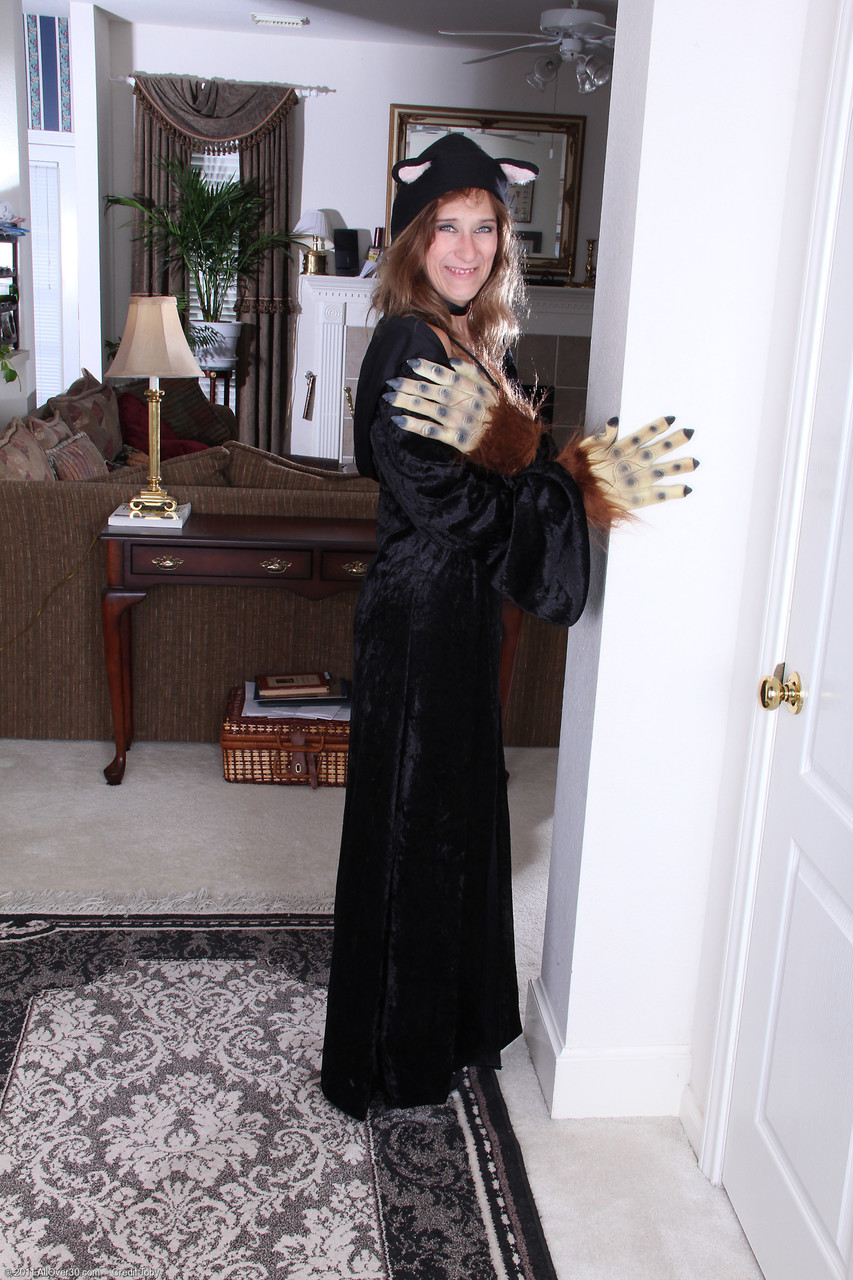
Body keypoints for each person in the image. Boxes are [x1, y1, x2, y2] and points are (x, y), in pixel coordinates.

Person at [320, 133, 695, 1121]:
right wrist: (572, 487)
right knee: (415, 830)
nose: (466, 248)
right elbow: (451, 498)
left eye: (482, 227)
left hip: (460, 613)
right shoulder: (408, 342)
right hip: (418, 615)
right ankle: (392, 1057)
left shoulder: (475, 343)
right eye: (446, 227)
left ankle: (446, 1028)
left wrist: (570, 476)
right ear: (413, 238)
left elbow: (510, 476)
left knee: (457, 820)